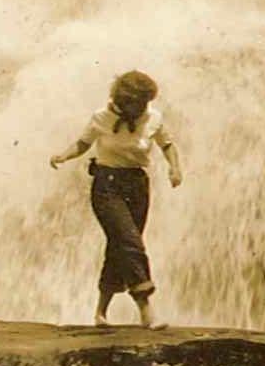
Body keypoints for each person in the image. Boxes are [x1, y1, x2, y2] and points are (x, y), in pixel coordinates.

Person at [50, 69, 182, 326]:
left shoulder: (153, 118)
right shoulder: (101, 117)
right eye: (138, 102)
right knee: (130, 242)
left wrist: (175, 167)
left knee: (119, 247)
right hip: (106, 185)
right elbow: (83, 143)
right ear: (123, 101)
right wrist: (63, 156)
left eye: (147, 102)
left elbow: (167, 144)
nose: (144, 107)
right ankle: (146, 310)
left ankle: (101, 312)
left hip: (137, 186)